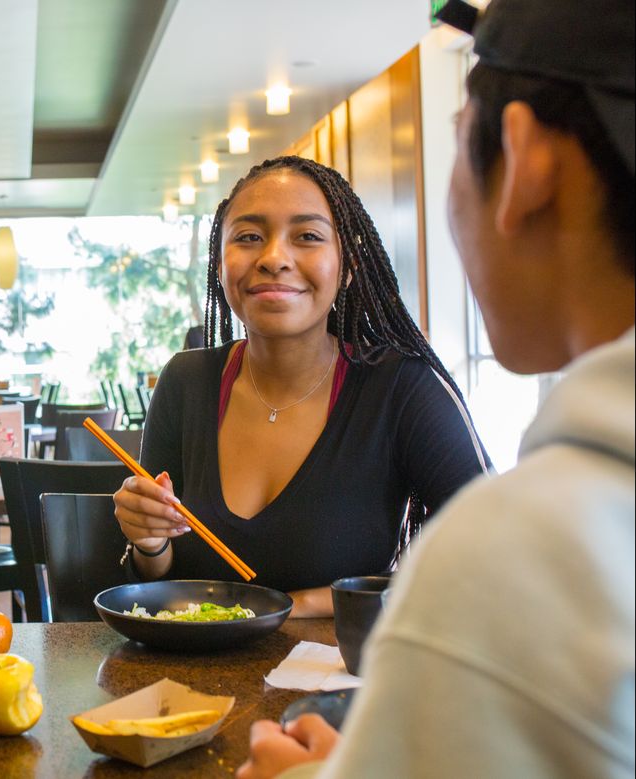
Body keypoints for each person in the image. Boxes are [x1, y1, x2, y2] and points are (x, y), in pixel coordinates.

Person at [237, 0, 634, 776]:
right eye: (248, 235)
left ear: (522, 159)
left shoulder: (522, 558)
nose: (274, 258)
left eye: (457, 139)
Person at [113, 155, 491, 617]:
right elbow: (163, 588)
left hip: (341, 684)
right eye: (249, 237)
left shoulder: (401, 388)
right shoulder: (185, 383)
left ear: (347, 265)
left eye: (308, 237)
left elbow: (491, 551)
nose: (273, 258)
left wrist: (309, 604)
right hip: (193, 680)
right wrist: (149, 544)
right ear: (219, 264)